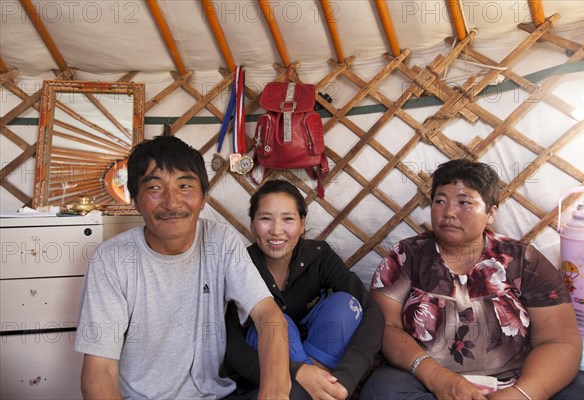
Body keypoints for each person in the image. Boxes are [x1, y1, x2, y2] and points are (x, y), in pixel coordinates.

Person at [74, 135, 291, 399]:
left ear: (204, 197)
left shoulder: (220, 241)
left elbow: (268, 315)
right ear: (135, 200)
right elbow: (99, 373)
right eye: (154, 188)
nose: (172, 202)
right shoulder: (112, 260)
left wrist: (275, 391)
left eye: (185, 185)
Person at [361, 159, 584, 400]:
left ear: (491, 213)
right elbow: (386, 326)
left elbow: (559, 340)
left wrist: (521, 394)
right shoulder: (406, 256)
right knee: (382, 388)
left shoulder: (523, 259)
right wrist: (436, 376)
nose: (448, 213)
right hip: (426, 384)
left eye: (464, 202)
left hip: (512, 385)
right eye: (440, 201)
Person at [225, 179, 384, 400]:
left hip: (320, 353)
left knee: (345, 306)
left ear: (302, 224)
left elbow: (370, 311)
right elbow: (230, 341)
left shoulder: (318, 255)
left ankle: (317, 389)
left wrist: (346, 379)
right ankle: (314, 389)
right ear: (252, 224)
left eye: (288, 219)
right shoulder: (241, 264)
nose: (276, 230)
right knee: (278, 324)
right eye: (265, 219)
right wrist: (298, 371)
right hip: (265, 369)